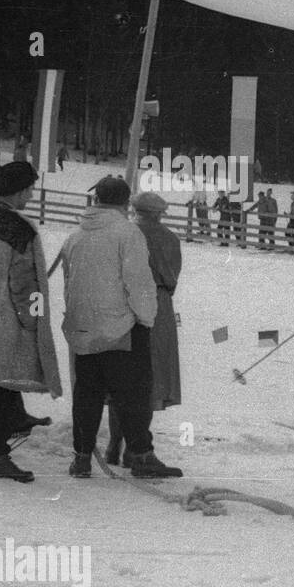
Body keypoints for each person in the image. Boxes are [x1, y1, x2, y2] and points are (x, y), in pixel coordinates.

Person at [59, 177, 181, 478]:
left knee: (87, 394)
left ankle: (82, 457)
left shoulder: (74, 236)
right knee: (134, 394)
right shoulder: (127, 233)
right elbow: (139, 283)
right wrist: (146, 319)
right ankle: (140, 455)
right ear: (125, 202)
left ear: (96, 199)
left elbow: (68, 282)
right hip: (122, 329)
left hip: (83, 328)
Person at [0, 162, 62, 483]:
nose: (31, 196)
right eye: (29, 189)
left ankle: (15, 420)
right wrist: (33, 323)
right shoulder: (19, 230)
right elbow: (23, 284)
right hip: (6, 319)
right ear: (18, 191)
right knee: (3, 382)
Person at [105, 192, 183, 467]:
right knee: (148, 378)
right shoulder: (169, 239)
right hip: (157, 306)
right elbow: (172, 278)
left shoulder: (123, 233)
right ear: (160, 213)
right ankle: (137, 448)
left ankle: (114, 445)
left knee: (120, 376)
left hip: (123, 304)